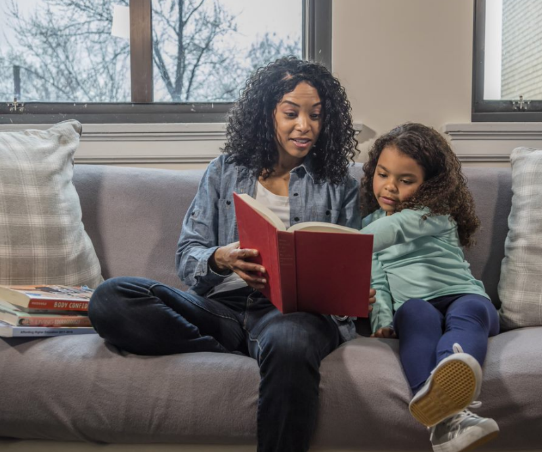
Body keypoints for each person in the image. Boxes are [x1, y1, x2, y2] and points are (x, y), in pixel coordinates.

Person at [87, 57, 372, 452]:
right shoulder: (224, 171)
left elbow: (350, 262)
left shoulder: (339, 184)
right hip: (223, 310)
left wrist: (352, 292)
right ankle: (242, 347)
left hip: (292, 315)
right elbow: (188, 256)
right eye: (291, 113)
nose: (304, 126)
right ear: (267, 112)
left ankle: (265, 347)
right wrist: (220, 258)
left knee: (288, 342)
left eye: (316, 116)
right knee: (111, 298)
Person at [359, 123, 500, 452]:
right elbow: (375, 276)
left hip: (463, 296)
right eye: (382, 174)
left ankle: (454, 370)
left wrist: (345, 244)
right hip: (416, 304)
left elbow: (395, 228)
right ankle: (443, 417)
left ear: (430, 186)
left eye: (406, 180)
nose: (390, 187)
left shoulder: (434, 213)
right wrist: (381, 320)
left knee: (469, 311)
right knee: (413, 314)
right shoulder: (369, 225)